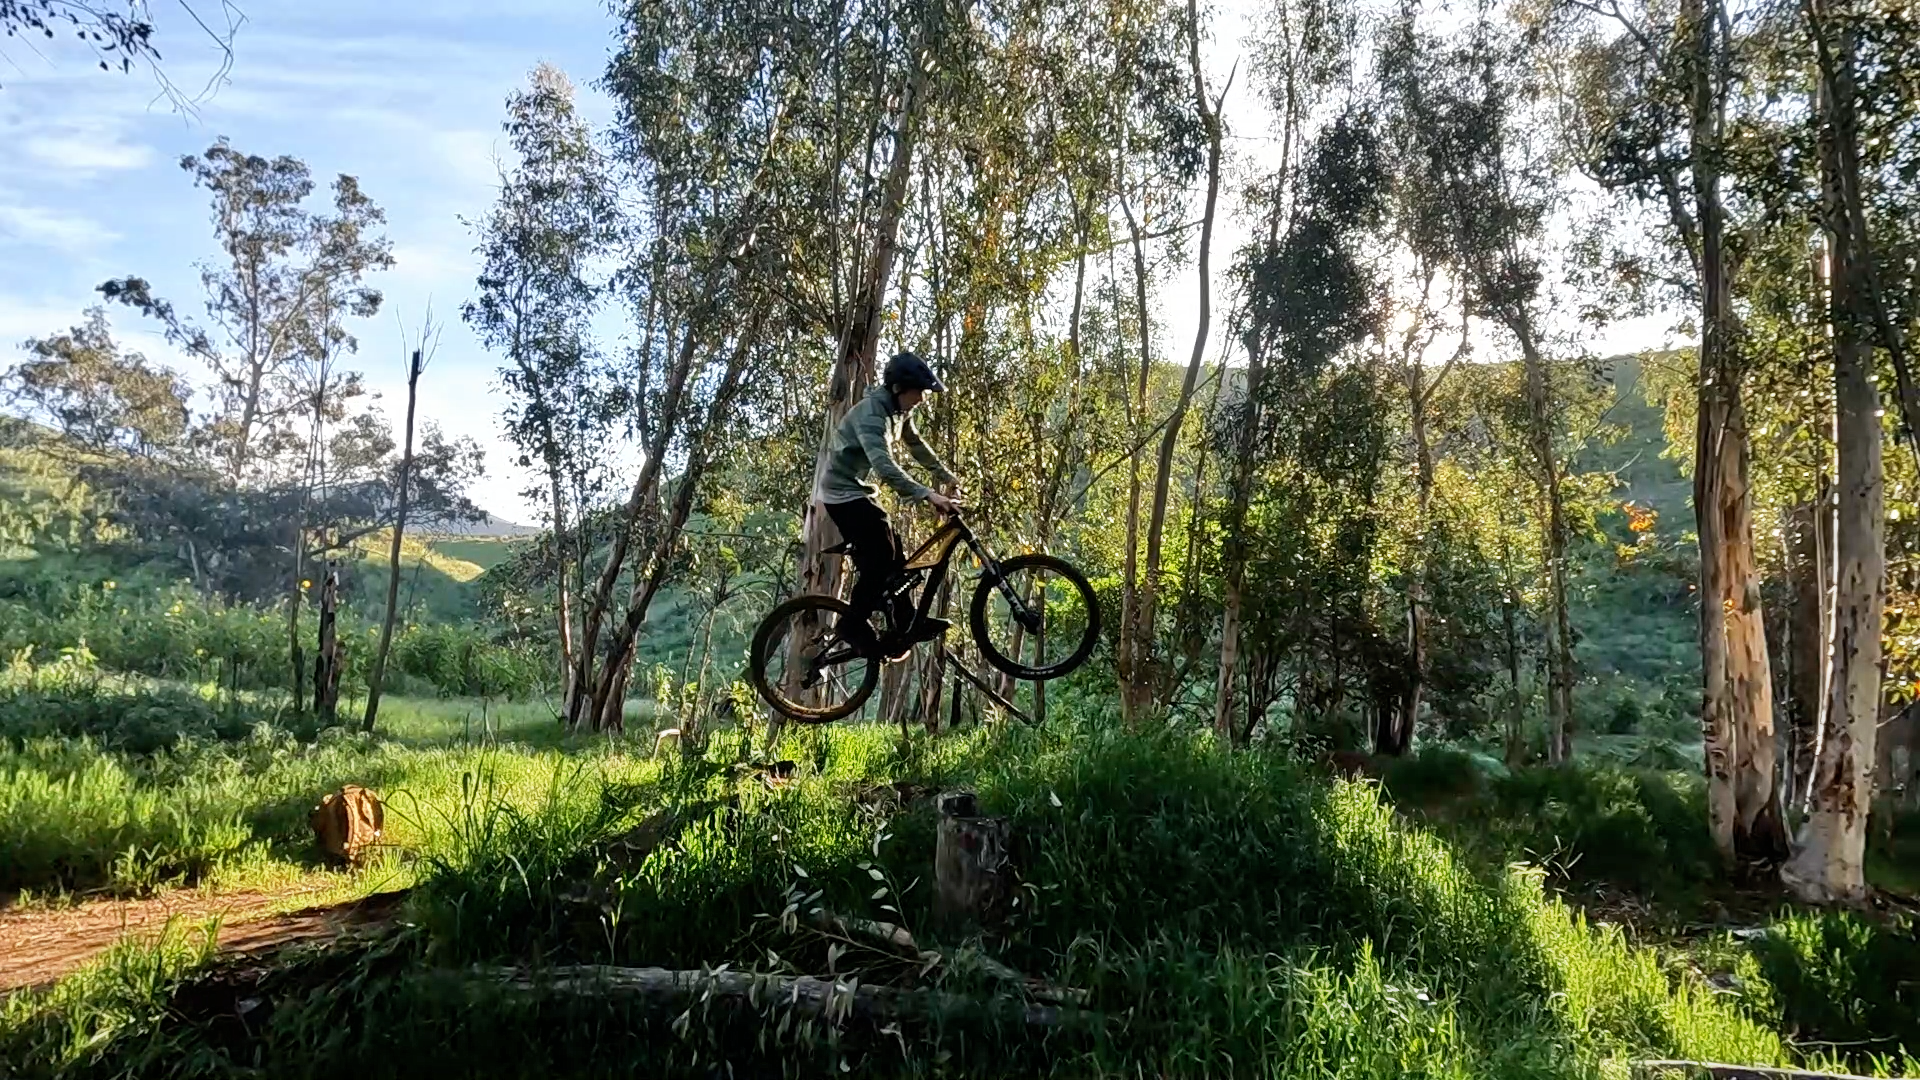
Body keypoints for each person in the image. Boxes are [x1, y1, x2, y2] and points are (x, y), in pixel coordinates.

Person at [817, 349, 961, 658]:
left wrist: (947, 477)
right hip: (841, 494)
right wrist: (927, 493)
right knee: (880, 558)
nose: (921, 399)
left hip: (859, 492)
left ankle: (905, 618)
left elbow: (915, 444)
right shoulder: (872, 415)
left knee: (897, 558)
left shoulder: (899, 411)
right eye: (918, 392)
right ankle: (851, 625)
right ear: (898, 389)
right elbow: (884, 466)